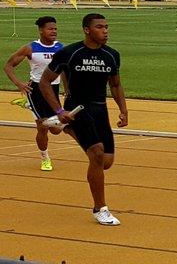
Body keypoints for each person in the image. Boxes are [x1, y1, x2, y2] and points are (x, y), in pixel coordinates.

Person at [40, 13, 128, 225]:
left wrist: (123, 110)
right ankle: (100, 208)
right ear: (87, 30)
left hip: (100, 109)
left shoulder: (112, 55)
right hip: (76, 109)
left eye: (107, 27)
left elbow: (115, 84)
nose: (105, 31)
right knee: (96, 154)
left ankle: (66, 128)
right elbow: (45, 82)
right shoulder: (70, 53)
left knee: (106, 162)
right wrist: (60, 110)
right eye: (99, 27)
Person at [3, 17, 65, 171]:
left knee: (56, 130)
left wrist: (67, 88)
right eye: (50, 29)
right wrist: (19, 83)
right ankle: (45, 158)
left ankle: (28, 105)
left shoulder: (60, 48)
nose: (54, 31)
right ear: (41, 30)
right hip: (36, 90)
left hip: (54, 90)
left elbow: (64, 69)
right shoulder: (30, 48)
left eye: (55, 29)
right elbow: (8, 66)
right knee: (43, 128)